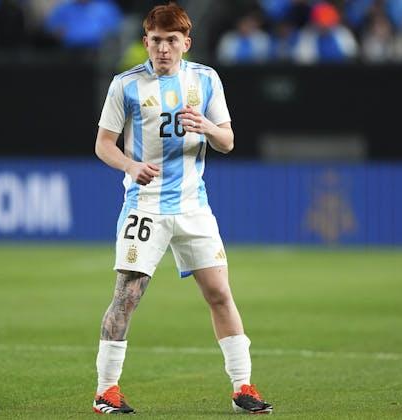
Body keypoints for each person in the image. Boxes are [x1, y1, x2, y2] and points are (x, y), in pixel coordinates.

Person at [92, 2, 273, 415]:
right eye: (156, 40)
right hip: (146, 205)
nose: (163, 49)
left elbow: (227, 141)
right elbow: (103, 144)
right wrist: (130, 165)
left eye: (171, 41)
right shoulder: (125, 85)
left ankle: (243, 387)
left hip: (193, 205)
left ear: (186, 43)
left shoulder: (206, 80)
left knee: (220, 294)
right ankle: (106, 391)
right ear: (145, 42)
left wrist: (206, 127)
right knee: (127, 296)